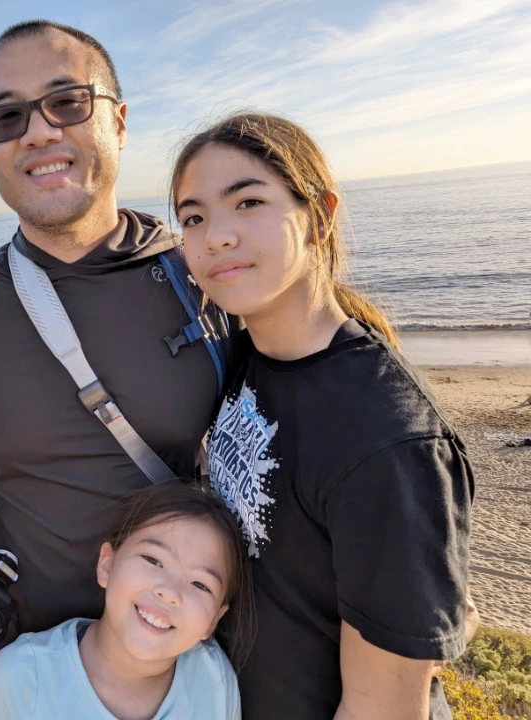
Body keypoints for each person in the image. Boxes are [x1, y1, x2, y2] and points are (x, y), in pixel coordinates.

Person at [0, 20, 227, 720]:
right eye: (6, 116)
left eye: (66, 101)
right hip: (3, 680)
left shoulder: (212, 286)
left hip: (181, 684)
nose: (37, 132)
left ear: (118, 122)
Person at [170, 112, 474, 719]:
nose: (215, 237)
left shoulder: (386, 437)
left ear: (320, 214)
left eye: (249, 202)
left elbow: (383, 708)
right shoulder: (247, 355)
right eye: (194, 217)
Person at [0, 482, 250, 720]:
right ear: (107, 565)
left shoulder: (213, 680)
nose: (170, 592)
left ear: (213, 620)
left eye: (200, 584)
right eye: (153, 560)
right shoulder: (20, 681)